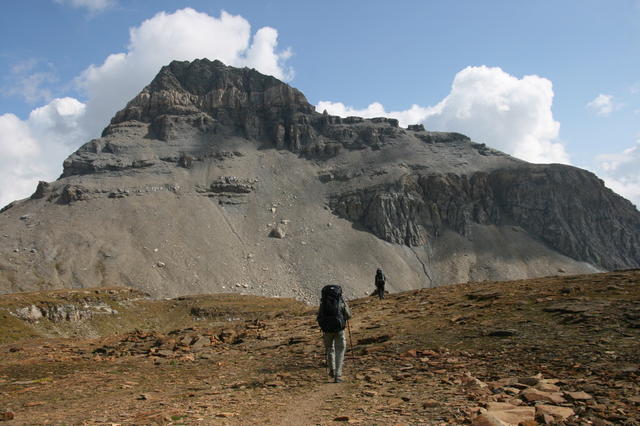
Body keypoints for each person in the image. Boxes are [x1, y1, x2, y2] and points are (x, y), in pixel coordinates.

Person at [317, 285, 352, 383]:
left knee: (330, 349)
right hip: (339, 329)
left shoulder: (323, 302)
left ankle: (332, 370)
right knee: (340, 350)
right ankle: (337, 375)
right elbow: (348, 315)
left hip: (327, 330)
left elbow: (319, 315)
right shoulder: (340, 301)